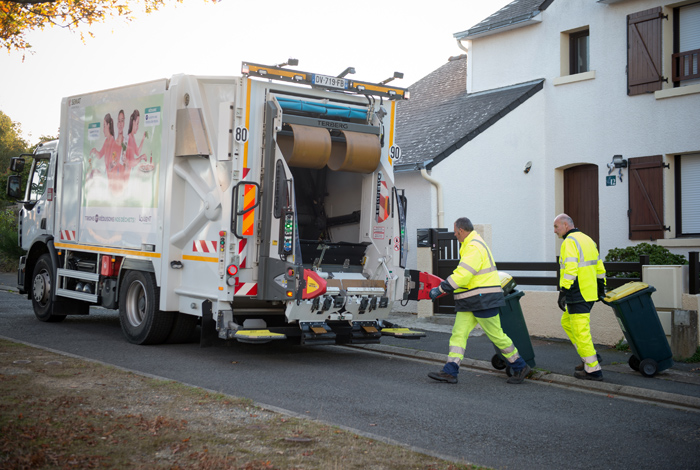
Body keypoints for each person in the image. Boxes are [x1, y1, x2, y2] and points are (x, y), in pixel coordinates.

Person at [428, 217, 531, 385]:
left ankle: (520, 365)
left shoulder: (474, 246)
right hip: (472, 300)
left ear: (461, 230)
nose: (455, 235)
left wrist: (440, 288)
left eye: (455, 232)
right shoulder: (471, 245)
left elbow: (463, 274)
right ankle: (450, 370)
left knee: (496, 335)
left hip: (483, 300)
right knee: (458, 334)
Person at [553, 213, 606, 381]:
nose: (554, 231)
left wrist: (563, 291)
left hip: (577, 293)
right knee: (567, 322)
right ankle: (588, 355)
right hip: (589, 292)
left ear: (566, 226)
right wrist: (601, 286)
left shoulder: (569, 242)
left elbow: (570, 269)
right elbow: (599, 266)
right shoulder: (587, 239)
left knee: (580, 331)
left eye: (556, 227)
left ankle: (593, 369)